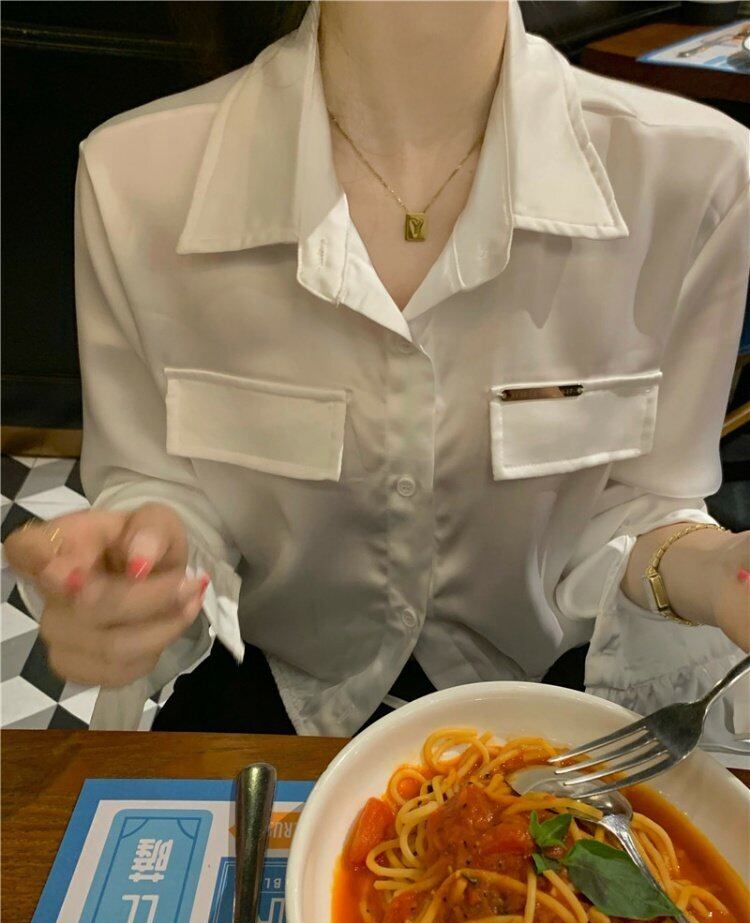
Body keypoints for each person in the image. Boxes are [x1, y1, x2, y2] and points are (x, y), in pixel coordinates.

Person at [5, 0, 749, 741]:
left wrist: (720, 572)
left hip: (555, 694)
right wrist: (139, 567)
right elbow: (160, 485)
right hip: (277, 691)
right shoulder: (135, 178)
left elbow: (643, 506)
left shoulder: (696, 178)